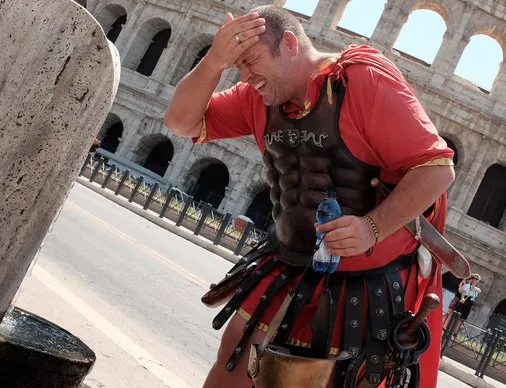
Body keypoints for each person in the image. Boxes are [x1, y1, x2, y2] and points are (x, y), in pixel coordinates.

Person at [164, 5, 455, 387]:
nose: (246, 75)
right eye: (238, 66)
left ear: (288, 43)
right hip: (287, 262)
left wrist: (372, 227)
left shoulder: (362, 80)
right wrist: (215, 62)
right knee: (230, 368)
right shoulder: (258, 97)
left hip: (364, 285)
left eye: (250, 61)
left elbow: (436, 168)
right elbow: (181, 121)